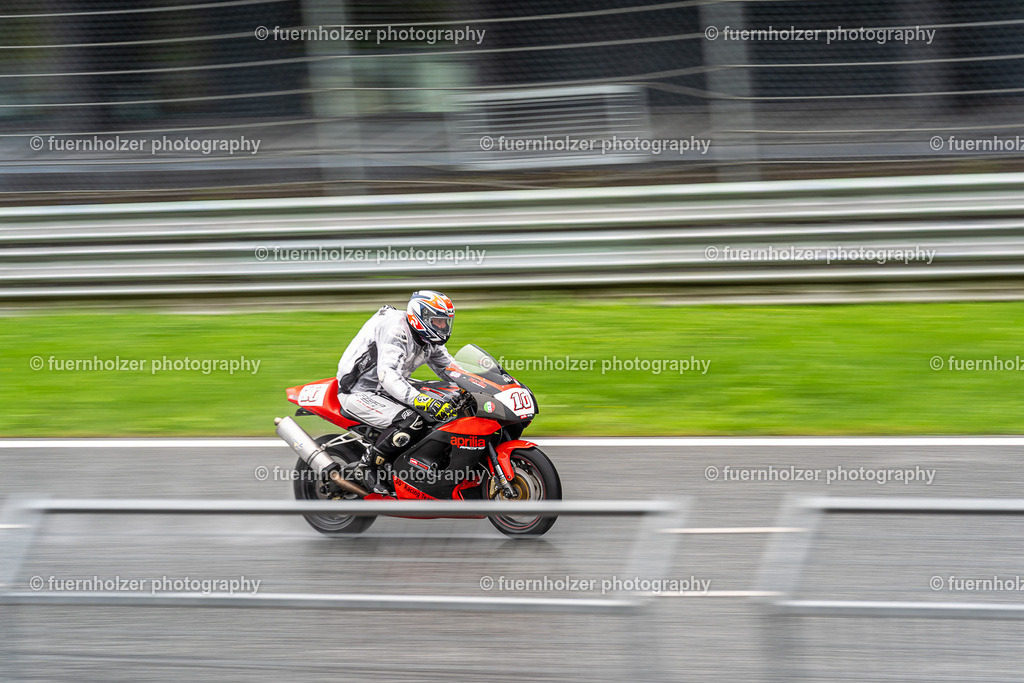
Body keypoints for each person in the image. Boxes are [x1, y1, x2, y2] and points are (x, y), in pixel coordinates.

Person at [336, 290, 459, 494]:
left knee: (448, 400)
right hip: (359, 390)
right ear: (421, 317)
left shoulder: (428, 340)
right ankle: (367, 466)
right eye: (437, 321)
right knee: (411, 420)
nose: (442, 327)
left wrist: (482, 383)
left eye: (445, 322)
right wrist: (422, 401)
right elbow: (388, 375)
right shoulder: (397, 330)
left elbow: (450, 368)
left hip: (386, 388)